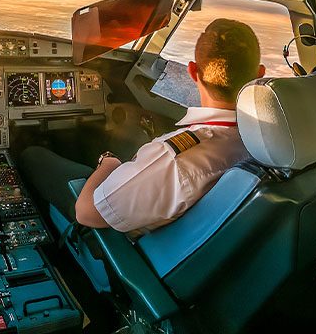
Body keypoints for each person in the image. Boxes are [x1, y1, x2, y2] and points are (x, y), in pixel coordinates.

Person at [21, 18, 265, 235]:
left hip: (129, 251)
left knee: (33, 155)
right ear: (260, 74)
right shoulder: (268, 143)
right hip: (195, 236)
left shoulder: (175, 160)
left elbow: (86, 213)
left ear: (193, 72)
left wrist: (109, 162)